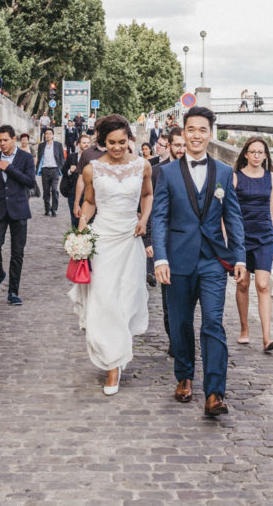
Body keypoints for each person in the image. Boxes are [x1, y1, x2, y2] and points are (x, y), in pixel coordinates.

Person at [152, 106, 246, 417]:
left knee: (213, 324)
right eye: (191, 129)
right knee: (179, 324)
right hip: (177, 260)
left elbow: (233, 217)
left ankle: (215, 393)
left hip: (214, 261)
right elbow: (160, 217)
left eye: (202, 130)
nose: (196, 135)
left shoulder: (223, 172)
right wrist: (160, 258)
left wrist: (239, 257)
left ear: (209, 134)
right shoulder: (165, 173)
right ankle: (184, 376)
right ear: (184, 131)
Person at [71, 115, 153, 395]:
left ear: (129, 139)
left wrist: (144, 219)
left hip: (130, 240)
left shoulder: (143, 166)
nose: (117, 148)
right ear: (102, 142)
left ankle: (117, 350)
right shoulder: (92, 169)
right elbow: (90, 203)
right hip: (103, 240)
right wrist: (81, 234)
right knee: (105, 300)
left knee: (126, 299)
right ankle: (113, 368)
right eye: (111, 143)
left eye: (121, 142)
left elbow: (147, 195)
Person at [232, 137, 273, 351]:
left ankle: (266, 337)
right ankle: (244, 329)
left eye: (261, 152)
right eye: (253, 152)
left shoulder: (271, 177)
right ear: (245, 154)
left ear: (266, 155)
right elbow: (229, 211)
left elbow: (271, 209)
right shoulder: (235, 177)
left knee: (262, 284)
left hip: (264, 235)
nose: (257, 156)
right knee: (243, 283)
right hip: (241, 235)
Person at [0, 125, 36, 306]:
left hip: (19, 210)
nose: (2, 143)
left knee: (17, 253)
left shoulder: (26, 158)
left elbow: (30, 182)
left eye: (5, 140)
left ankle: (13, 291)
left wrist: (9, 168)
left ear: (14, 139)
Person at [145, 127, 185, 355]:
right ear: (168, 146)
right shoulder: (156, 171)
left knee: (187, 296)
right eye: (177, 145)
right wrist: (149, 240)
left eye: (184, 145)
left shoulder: (196, 170)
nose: (181, 150)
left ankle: (183, 335)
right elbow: (149, 210)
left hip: (188, 243)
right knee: (168, 296)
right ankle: (174, 339)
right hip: (165, 242)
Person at [60, 133, 90, 227]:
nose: (86, 145)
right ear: (78, 144)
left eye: (88, 143)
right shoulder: (71, 156)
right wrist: (70, 171)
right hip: (73, 192)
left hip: (88, 193)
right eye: (84, 142)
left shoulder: (93, 158)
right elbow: (63, 171)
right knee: (75, 218)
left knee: (87, 219)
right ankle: (76, 240)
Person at [36, 128, 64, 216]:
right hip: (45, 170)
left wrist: (63, 168)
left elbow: (62, 158)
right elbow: (39, 158)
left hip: (55, 170)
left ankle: (54, 209)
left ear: (53, 135)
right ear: (44, 135)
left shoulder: (58, 145)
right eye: (46, 133)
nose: (48, 135)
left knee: (55, 190)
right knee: (46, 191)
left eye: (50, 133)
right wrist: (37, 169)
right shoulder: (41, 145)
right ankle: (47, 208)